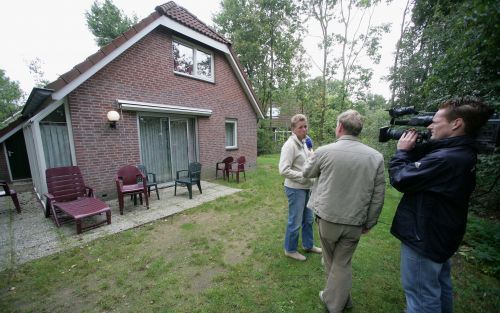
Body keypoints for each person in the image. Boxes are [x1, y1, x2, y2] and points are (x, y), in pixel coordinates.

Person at [389, 97, 494, 313]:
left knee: (421, 298)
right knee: (440, 285)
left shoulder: (446, 158)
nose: (429, 126)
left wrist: (402, 152)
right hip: (442, 233)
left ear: (456, 124)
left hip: (424, 236)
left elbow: (401, 178)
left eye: (435, 121)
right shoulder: (463, 152)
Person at [303, 109, 385, 313]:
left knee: (334, 262)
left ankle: (334, 304)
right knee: (342, 262)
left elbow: (307, 173)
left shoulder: (323, 151)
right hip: (355, 222)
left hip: (328, 219)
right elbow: (378, 195)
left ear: (340, 127)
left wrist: (312, 157)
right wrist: (370, 222)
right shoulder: (376, 157)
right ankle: (343, 299)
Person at [279, 114, 322, 261]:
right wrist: (304, 176)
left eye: (305, 126)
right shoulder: (289, 145)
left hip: (306, 187)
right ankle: (290, 250)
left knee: (308, 219)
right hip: (295, 188)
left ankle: (308, 245)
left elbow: (307, 159)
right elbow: (283, 169)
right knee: (295, 221)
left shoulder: (304, 142)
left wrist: (312, 155)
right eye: (300, 127)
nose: (304, 129)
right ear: (293, 129)